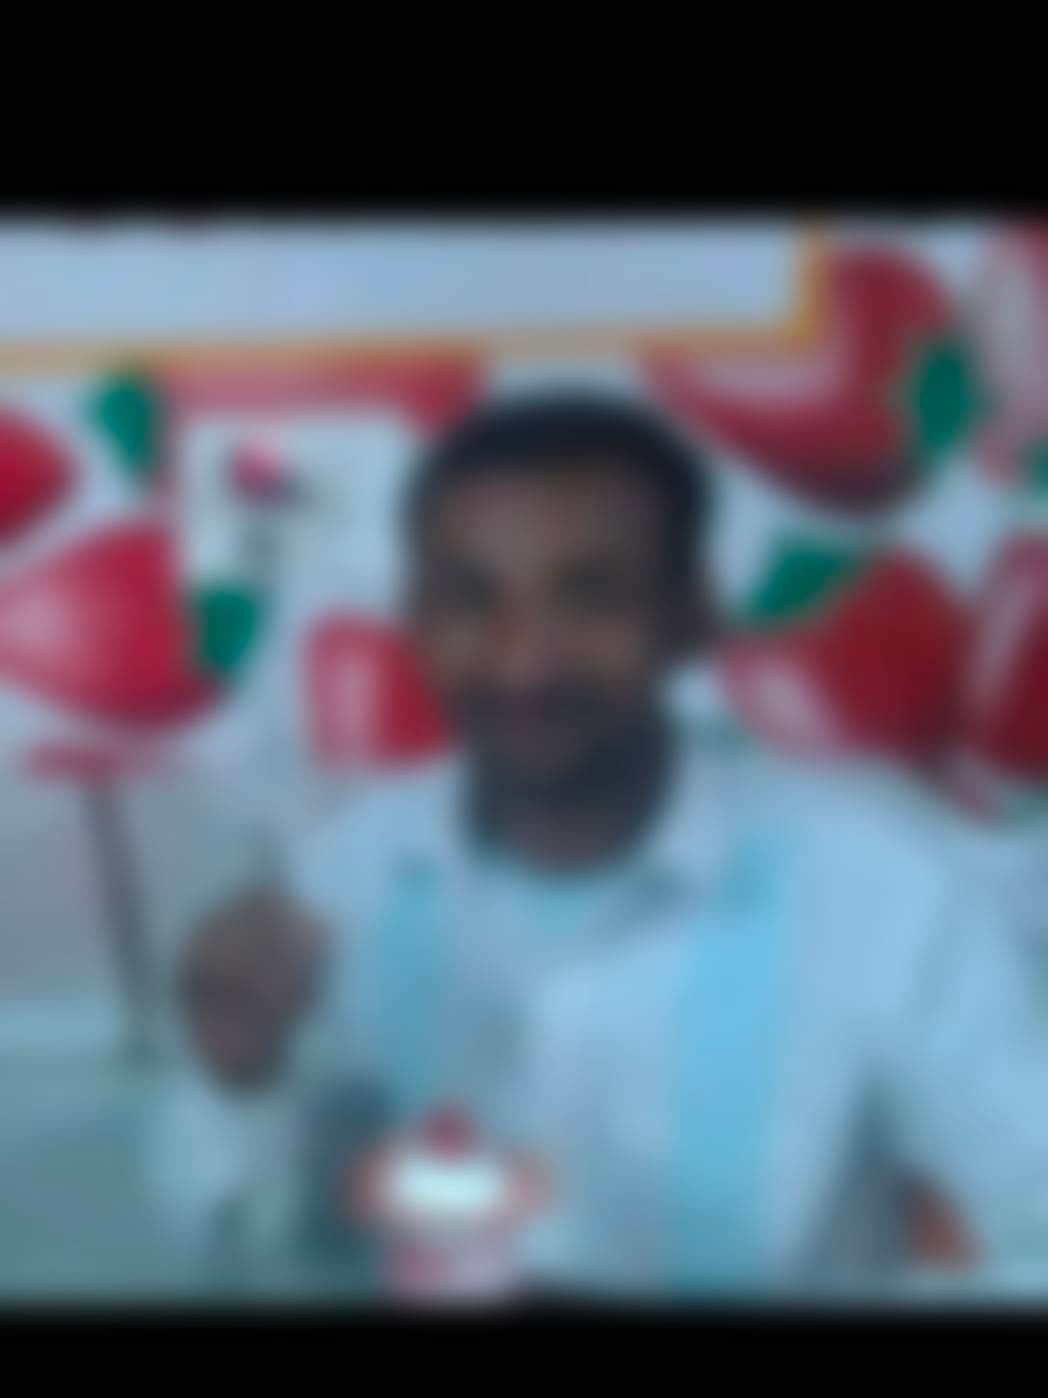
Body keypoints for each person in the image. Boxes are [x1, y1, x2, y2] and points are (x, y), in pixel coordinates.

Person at [177, 390, 1048, 1298]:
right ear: (416, 621)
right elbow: (231, 1230)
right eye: (470, 601)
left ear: (691, 614)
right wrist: (234, 1077)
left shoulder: (877, 881)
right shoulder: (343, 878)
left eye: (588, 599)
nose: (525, 664)